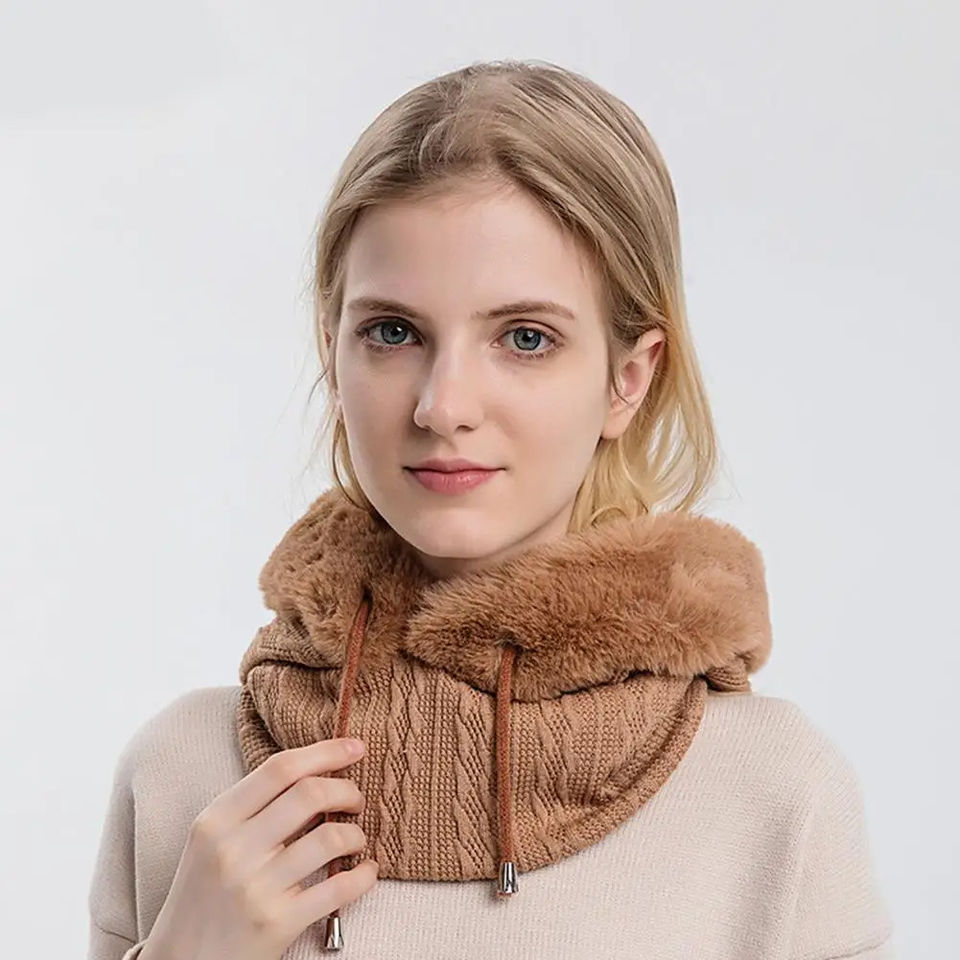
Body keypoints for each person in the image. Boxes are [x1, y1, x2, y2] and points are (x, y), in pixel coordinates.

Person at [87, 59, 896, 960]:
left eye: (525, 338)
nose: (444, 406)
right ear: (332, 351)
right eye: (393, 332)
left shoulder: (775, 797)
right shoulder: (184, 778)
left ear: (629, 378)